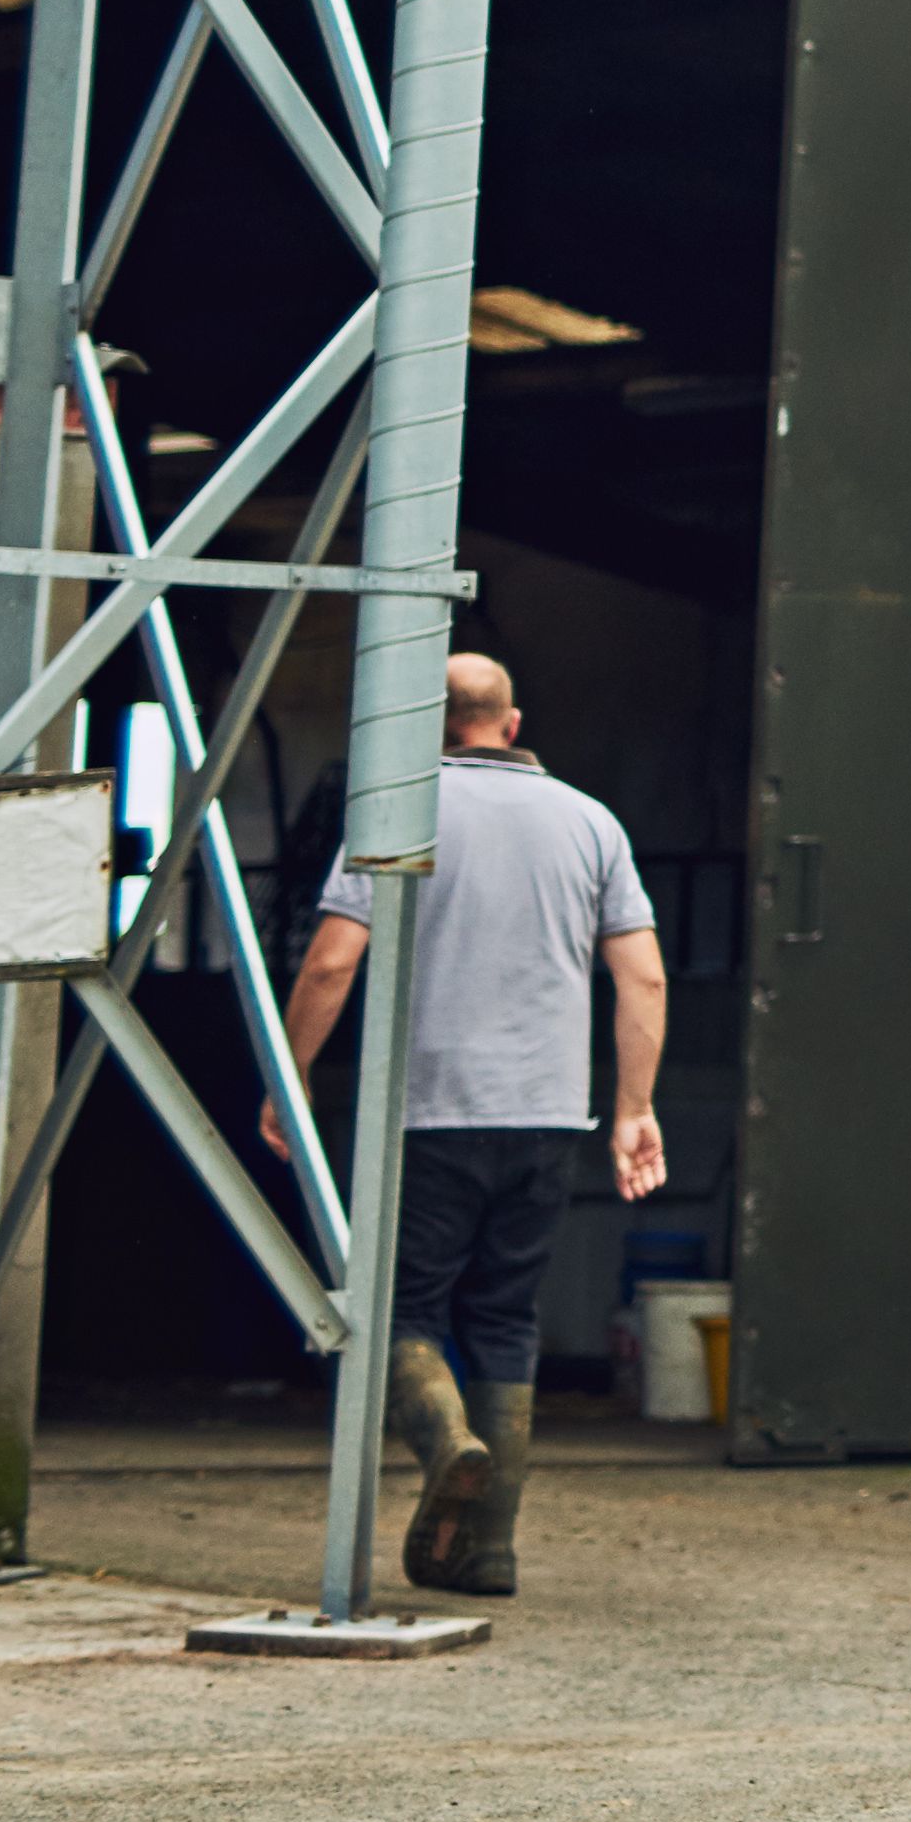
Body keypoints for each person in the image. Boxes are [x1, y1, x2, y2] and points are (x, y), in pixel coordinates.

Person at [264, 652, 663, 1599]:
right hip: (549, 1114)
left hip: (428, 1113)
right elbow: (641, 977)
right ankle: (489, 1553)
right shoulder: (590, 822)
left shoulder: (398, 812)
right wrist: (634, 1108)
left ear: (420, 726)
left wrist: (291, 1077)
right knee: (505, 1317)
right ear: (511, 723)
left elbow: (330, 963)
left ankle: (446, 1441)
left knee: (401, 1311)